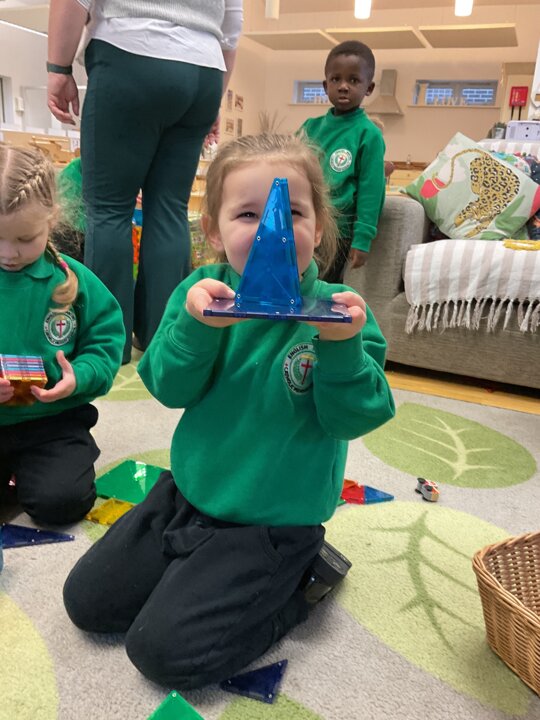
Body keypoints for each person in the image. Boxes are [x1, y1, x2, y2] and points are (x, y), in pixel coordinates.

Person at [62, 133, 395, 689]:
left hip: (271, 524)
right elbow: (167, 387)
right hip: (187, 496)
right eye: (246, 214)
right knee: (87, 603)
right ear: (213, 231)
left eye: (293, 213)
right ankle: (199, 576)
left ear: (319, 227)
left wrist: (341, 347)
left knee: (162, 653)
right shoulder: (200, 294)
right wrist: (198, 328)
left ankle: (299, 585)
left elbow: (355, 417)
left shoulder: (341, 315)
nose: (271, 230)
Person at [47, 0, 244, 364]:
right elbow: (232, 26)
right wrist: (215, 96)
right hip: (204, 70)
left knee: (108, 210)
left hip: (130, 52)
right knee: (170, 210)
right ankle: (161, 337)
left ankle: (108, 345)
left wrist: (58, 68)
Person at [0, 145, 125, 525]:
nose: (9, 253)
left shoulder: (74, 281)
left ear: (51, 218)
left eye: (25, 238)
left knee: (63, 502)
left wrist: (78, 377)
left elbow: (104, 344)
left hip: (53, 422)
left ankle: (32, 473)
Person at [300, 40, 386, 282]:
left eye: (354, 80)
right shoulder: (309, 128)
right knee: (288, 285)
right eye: (336, 79)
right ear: (325, 85)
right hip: (300, 223)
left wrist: (362, 239)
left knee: (318, 290)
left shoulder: (369, 134)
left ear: (369, 88)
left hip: (336, 234)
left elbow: (372, 191)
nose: (344, 86)